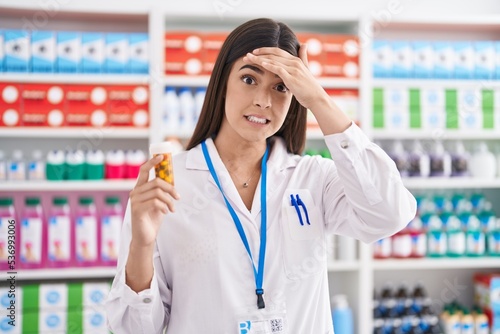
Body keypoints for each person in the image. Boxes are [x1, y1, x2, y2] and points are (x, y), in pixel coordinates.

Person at [104, 17, 416, 333]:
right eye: (249, 79)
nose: (262, 101)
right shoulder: (169, 183)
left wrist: (318, 99)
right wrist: (141, 246)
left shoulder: (313, 178)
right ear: (222, 81)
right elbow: (135, 329)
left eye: (281, 87)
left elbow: (389, 214)